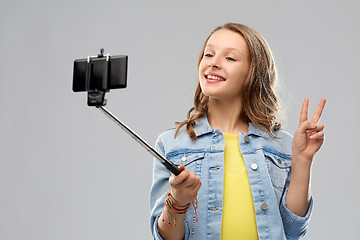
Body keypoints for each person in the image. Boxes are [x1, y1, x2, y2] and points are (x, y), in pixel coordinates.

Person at [149, 23, 326, 240]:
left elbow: (293, 230)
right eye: (209, 54)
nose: (213, 63)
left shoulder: (282, 145)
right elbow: (165, 237)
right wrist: (177, 202)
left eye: (230, 58)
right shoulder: (172, 144)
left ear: (254, 73)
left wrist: (302, 161)